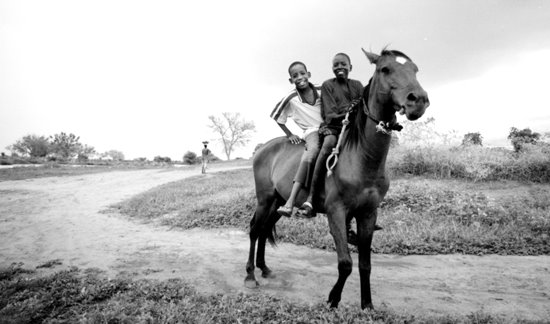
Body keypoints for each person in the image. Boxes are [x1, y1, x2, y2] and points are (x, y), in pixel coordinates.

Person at [297, 53, 382, 237]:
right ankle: (311, 198)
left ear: (351, 67)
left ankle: (367, 204)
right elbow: (329, 114)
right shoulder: (328, 85)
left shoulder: (358, 85)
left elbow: (365, 110)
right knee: (328, 145)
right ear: (332, 68)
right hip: (334, 128)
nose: (339, 67)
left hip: (354, 130)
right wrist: (349, 112)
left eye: (343, 64)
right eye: (336, 65)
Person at [270, 61, 324, 217]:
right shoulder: (291, 98)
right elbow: (276, 116)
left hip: (330, 127)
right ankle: (291, 200)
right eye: (295, 76)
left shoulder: (322, 89)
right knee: (312, 152)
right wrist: (289, 134)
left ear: (309, 74)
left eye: (302, 73)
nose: (300, 77)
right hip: (312, 131)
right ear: (291, 80)